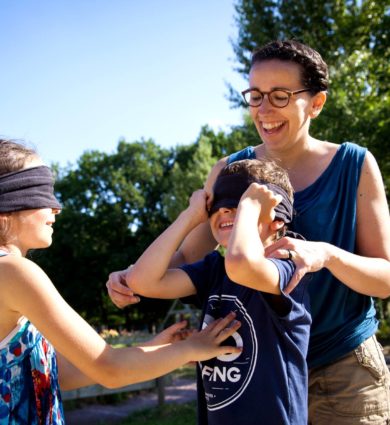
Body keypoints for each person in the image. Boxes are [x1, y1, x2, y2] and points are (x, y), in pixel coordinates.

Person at [107, 40, 390, 424]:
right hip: (259, 371)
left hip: (342, 368)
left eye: (280, 96)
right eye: (255, 96)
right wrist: (132, 275)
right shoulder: (230, 170)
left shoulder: (355, 165)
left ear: (317, 103)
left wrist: (328, 254)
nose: (264, 110)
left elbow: (385, 277)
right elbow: (189, 255)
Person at [0, 139, 242, 424]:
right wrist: (193, 347)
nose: (57, 209)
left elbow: (61, 372)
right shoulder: (13, 271)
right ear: (9, 204)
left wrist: (156, 347)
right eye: (42, 194)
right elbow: (109, 369)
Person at [124, 158, 312, 425]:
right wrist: (190, 216)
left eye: (238, 205)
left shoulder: (289, 269)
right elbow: (142, 281)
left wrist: (247, 209)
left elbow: (241, 264)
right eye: (218, 207)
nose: (225, 212)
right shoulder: (214, 270)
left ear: (277, 221)